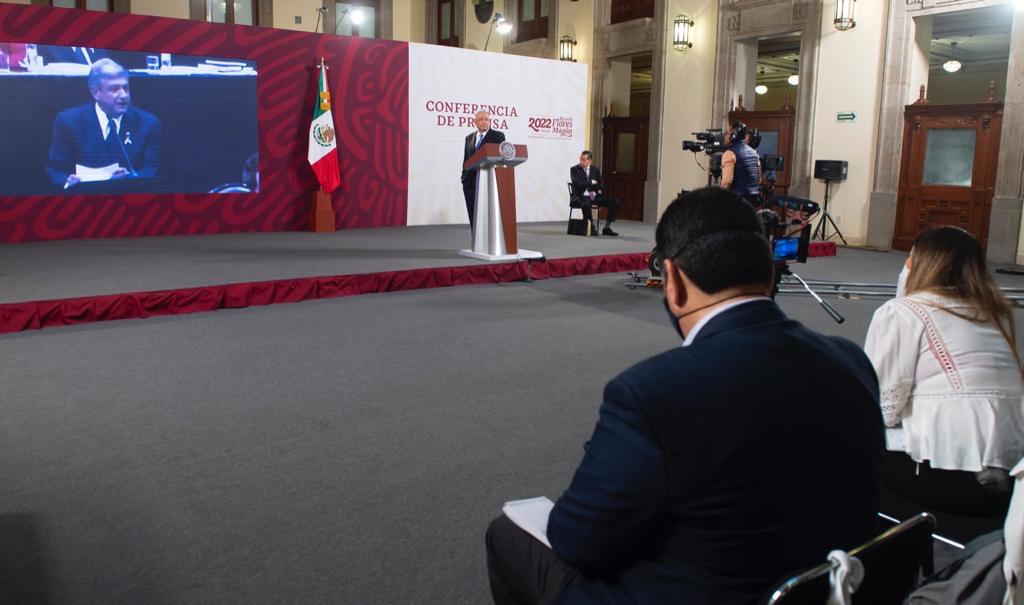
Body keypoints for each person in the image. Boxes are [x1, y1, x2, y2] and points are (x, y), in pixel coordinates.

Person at [485, 187, 884, 605]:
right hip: (833, 589)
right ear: (771, 274)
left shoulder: (652, 392)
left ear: (672, 281)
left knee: (507, 534)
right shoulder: (851, 360)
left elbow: (575, 540)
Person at [864, 226, 1024, 533]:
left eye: (909, 258)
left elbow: (880, 408)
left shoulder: (901, 312)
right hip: (1012, 476)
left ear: (922, 263)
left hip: (948, 475)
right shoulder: (996, 313)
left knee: (844, 443)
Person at [46, 58, 162, 190]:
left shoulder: (148, 123)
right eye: (115, 89)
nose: (123, 95)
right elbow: (56, 171)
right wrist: (68, 182)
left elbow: (151, 172)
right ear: (95, 92)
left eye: (126, 88)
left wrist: (128, 178)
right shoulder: (69, 122)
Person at [461, 110, 505, 228]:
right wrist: (463, 178)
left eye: (486, 119)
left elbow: (501, 159)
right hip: (470, 183)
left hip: (488, 183)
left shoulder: (498, 136)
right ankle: (475, 239)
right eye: (481, 119)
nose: (484, 122)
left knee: (487, 217)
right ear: (475, 122)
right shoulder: (469, 138)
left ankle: (488, 239)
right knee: (473, 217)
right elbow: (466, 159)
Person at [569, 150, 620, 237]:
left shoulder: (595, 170)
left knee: (615, 201)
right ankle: (591, 227)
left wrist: (591, 186)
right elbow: (577, 184)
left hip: (594, 196)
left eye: (583, 159)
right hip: (580, 197)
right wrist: (591, 182)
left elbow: (601, 185)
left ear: (589, 161)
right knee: (586, 203)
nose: (581, 161)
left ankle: (607, 228)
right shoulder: (574, 169)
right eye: (580, 159)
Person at [720, 121, 761, 206]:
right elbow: (758, 179)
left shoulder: (729, 153)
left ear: (733, 136)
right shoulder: (754, 153)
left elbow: (727, 182)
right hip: (753, 200)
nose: (724, 136)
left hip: (737, 201)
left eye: (727, 133)